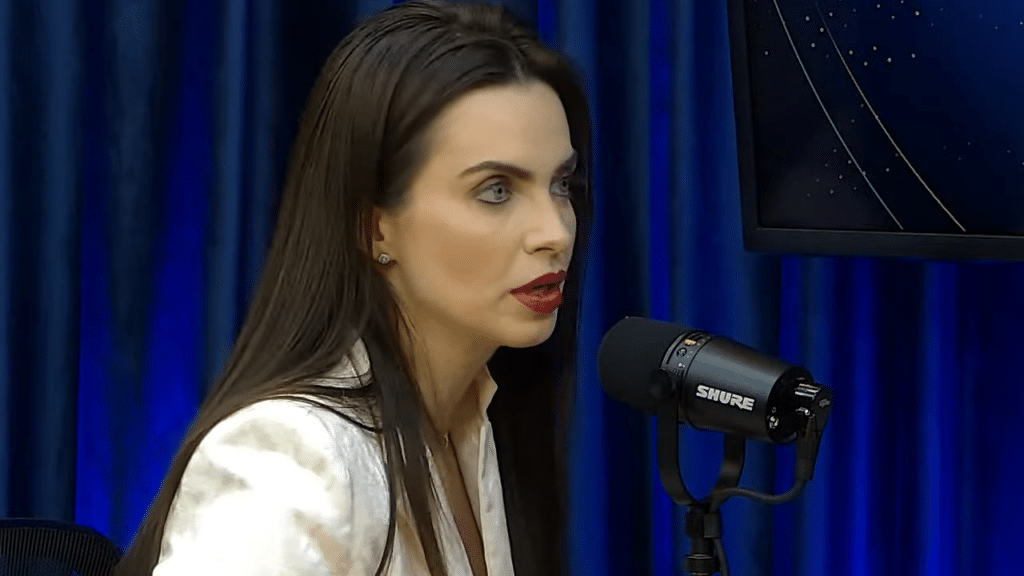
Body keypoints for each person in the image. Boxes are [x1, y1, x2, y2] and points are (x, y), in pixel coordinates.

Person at [112, 1, 593, 575]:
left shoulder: (476, 425)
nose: (555, 232)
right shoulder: (293, 460)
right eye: (496, 190)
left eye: (561, 184)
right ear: (373, 226)